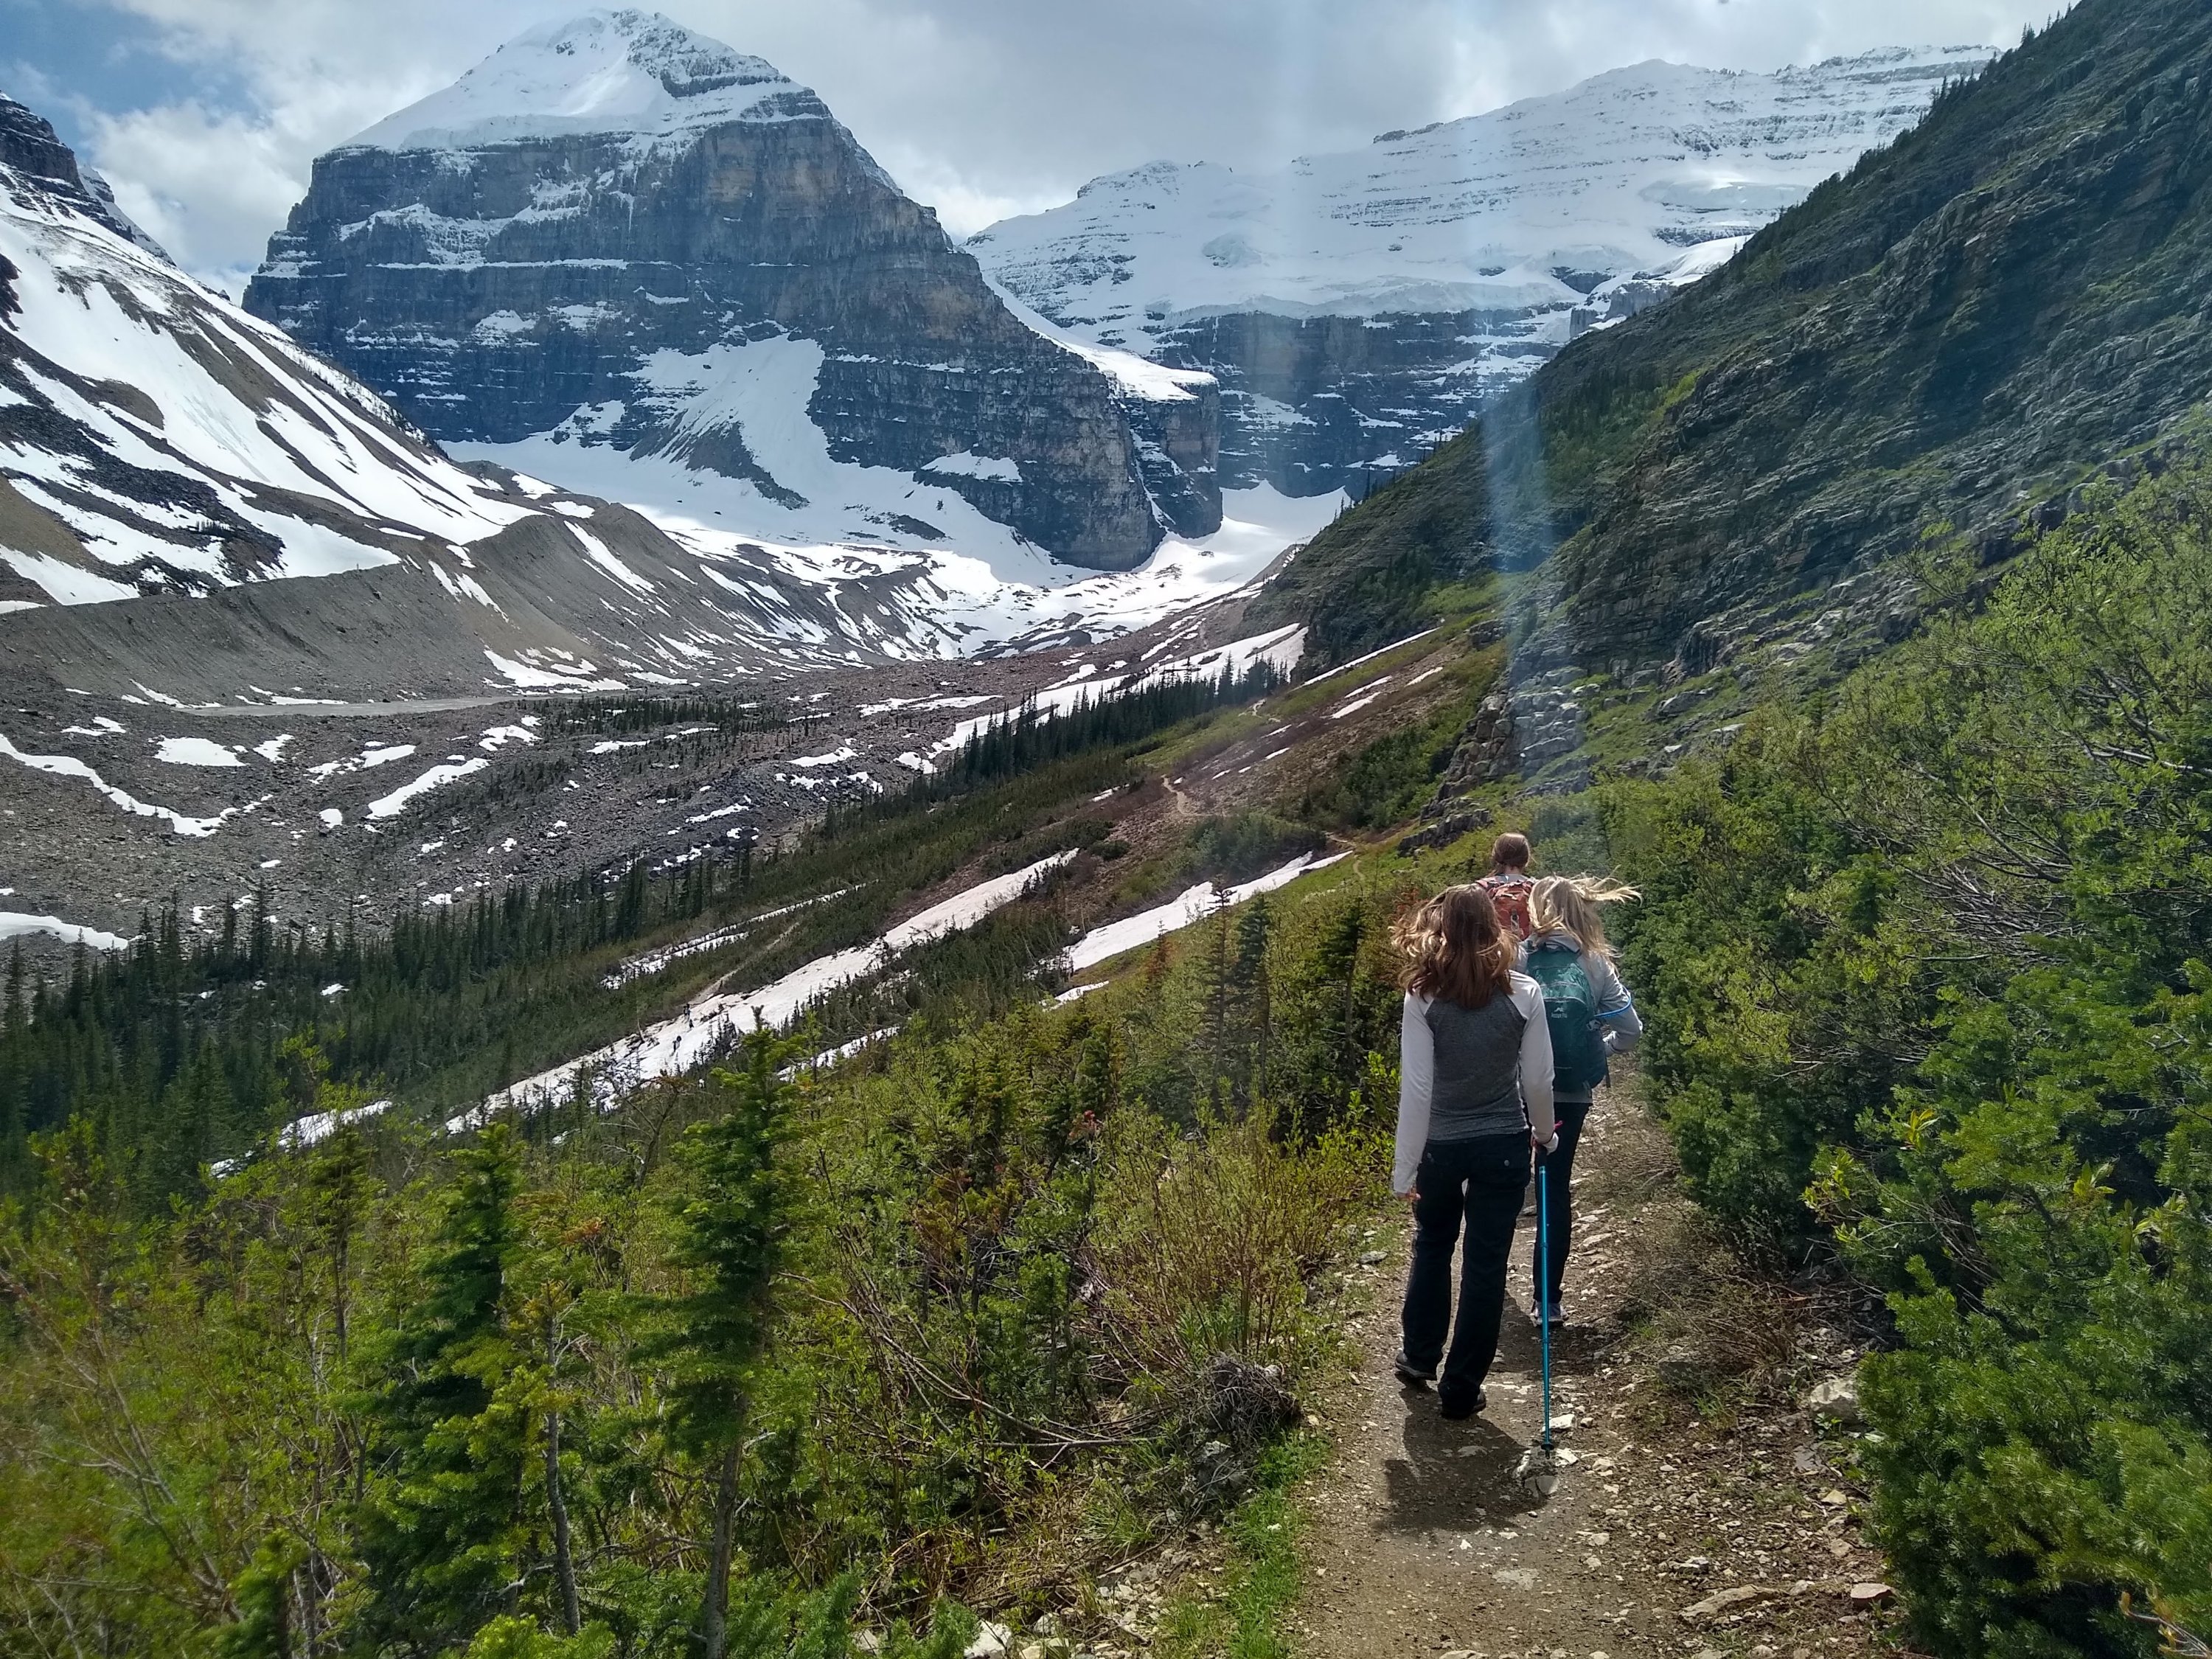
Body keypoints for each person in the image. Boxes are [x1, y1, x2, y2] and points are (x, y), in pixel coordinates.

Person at [1390, 884, 1556, 1419]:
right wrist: (1546, 1135)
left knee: (1433, 1243)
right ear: (1494, 928)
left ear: (1442, 930)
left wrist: (1405, 1170)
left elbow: (1417, 1090)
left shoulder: (1422, 996)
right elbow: (1538, 1079)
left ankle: (1420, 1356)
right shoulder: (1525, 992)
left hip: (1440, 1145)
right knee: (1486, 1264)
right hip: (1502, 1141)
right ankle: (1461, 1389)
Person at [1520, 875, 1643, 1327]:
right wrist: (1602, 1049)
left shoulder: (1517, 958)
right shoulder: (1595, 963)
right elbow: (1631, 1032)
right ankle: (1547, 1301)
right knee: (1554, 1186)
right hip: (1571, 1094)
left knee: (1505, 1184)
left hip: (1518, 1089)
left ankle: (1486, 1290)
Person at [1476, 832, 1536, 941]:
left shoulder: (1481, 888)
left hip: (1495, 949)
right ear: (1526, 859)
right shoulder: (1538, 888)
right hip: (1533, 949)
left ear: (1496, 857)